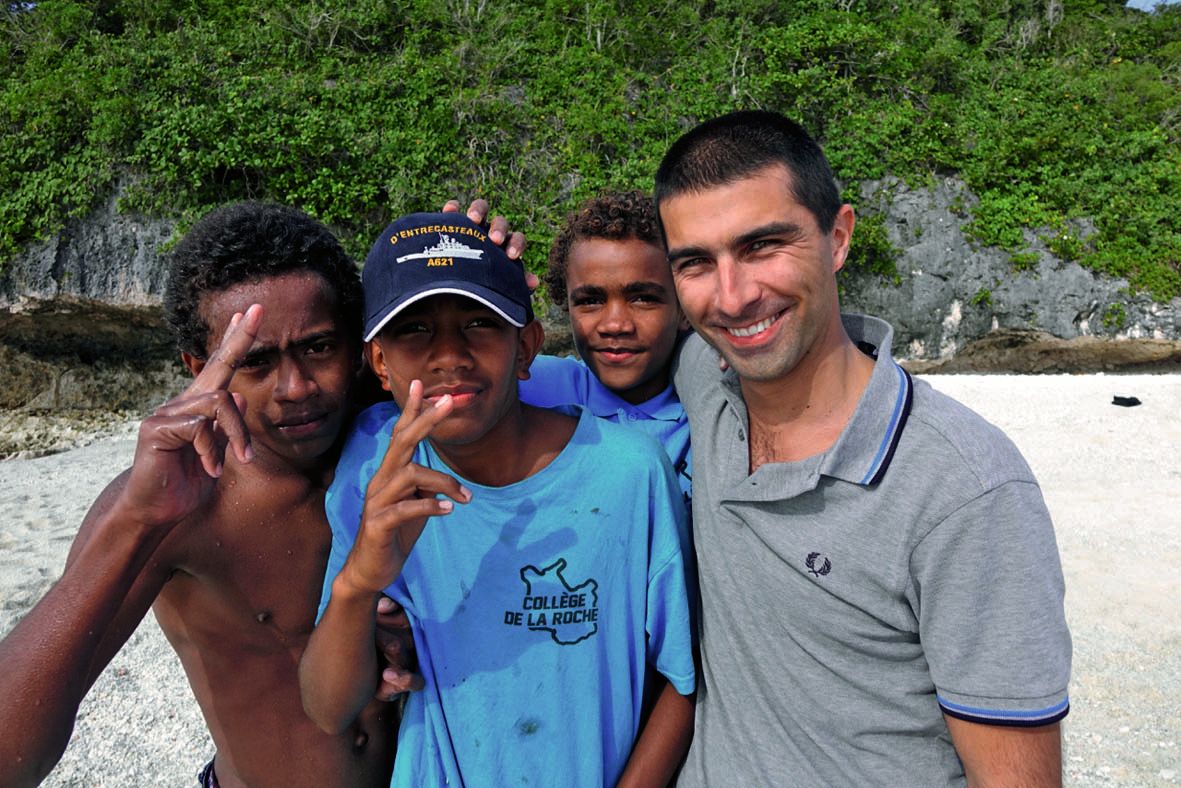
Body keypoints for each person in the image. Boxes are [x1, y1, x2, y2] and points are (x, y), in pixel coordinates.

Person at [0, 199, 520, 787]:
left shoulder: (401, 432)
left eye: (318, 348)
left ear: (361, 347)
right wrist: (137, 519)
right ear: (200, 368)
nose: (295, 387)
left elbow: (535, 389)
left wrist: (485, 267)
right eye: (255, 362)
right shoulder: (177, 503)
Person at [653, 110, 1072, 786]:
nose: (731, 297)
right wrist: (486, 262)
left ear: (838, 237)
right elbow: (576, 358)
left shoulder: (964, 492)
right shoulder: (706, 377)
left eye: (763, 246)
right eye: (696, 263)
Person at [300, 211, 697, 788]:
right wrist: (359, 583)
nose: (450, 356)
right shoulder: (379, 479)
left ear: (527, 346)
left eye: (479, 323)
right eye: (415, 330)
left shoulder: (631, 473)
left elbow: (681, 676)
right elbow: (328, 709)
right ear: (379, 363)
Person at [522, 190, 692, 502]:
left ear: (684, 308)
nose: (615, 324)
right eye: (590, 300)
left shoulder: (713, 413)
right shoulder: (534, 385)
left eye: (643, 298)